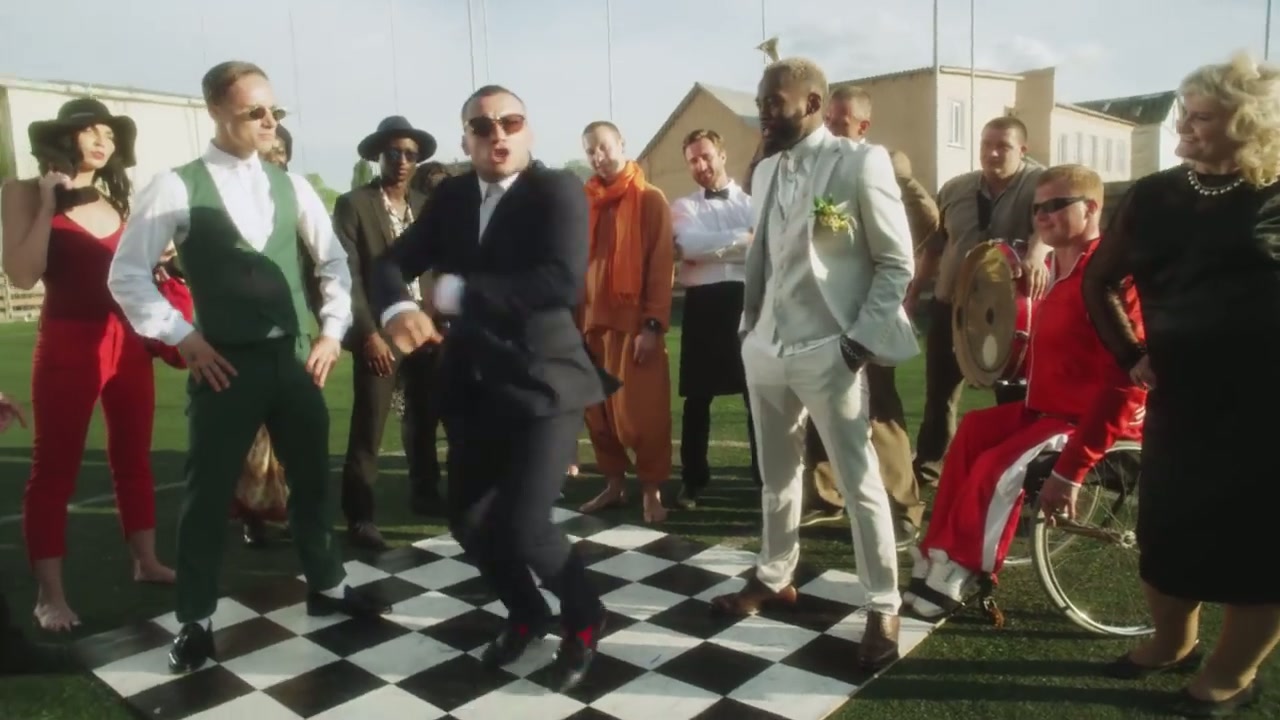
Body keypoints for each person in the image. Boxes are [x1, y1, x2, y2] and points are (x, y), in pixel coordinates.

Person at [107, 60, 387, 674]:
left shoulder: (293, 186)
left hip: (293, 359)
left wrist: (331, 332)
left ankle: (328, 585)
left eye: (274, 111)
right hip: (223, 365)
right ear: (215, 111)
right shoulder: (175, 186)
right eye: (254, 111)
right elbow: (125, 274)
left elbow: (334, 263)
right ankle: (195, 618)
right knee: (207, 493)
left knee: (311, 480)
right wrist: (182, 336)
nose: (269, 121)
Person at [372, 84, 609, 693]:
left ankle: (584, 619)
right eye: (482, 126)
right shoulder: (451, 195)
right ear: (466, 139)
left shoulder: (556, 190)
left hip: (543, 384)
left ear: (527, 131)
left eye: (511, 121)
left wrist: (459, 293)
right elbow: (390, 263)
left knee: (526, 526)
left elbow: (560, 281)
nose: (497, 133)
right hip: (472, 384)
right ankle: (526, 612)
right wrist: (399, 306)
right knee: (470, 522)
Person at [1082, 52, 1280, 717]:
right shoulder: (1153, 194)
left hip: (1266, 407)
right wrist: (1130, 353)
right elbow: (1099, 280)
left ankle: (1230, 675)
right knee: (1166, 532)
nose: (1183, 129)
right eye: (1184, 115)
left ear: (1248, 123)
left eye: (1201, 118)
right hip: (1183, 400)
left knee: (1259, 547)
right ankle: (1172, 644)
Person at [709, 57, 917, 673]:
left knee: (859, 484)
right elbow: (764, 257)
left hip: (831, 349)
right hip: (765, 347)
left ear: (813, 103)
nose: (763, 112)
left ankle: (883, 603)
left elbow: (896, 263)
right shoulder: (765, 168)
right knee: (776, 476)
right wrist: (750, 330)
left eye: (774, 102)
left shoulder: (860, 162)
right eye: (760, 101)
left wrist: (856, 344)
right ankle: (775, 575)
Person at [904, 164, 1146, 618]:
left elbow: (1129, 380)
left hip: (1088, 420)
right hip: (1046, 410)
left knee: (996, 465)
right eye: (1037, 208)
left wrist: (1074, 468)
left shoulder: (1114, 278)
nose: (1042, 216)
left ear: (1092, 208)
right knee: (972, 432)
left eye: (1056, 206)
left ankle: (965, 566)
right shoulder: (1048, 269)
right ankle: (938, 550)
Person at [0, 97, 174, 633]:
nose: (104, 141)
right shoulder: (22, 192)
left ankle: (146, 561)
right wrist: (48, 204)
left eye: (111, 134)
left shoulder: (116, 199)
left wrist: (159, 260)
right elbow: (22, 275)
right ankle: (49, 597)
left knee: (133, 457)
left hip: (127, 340)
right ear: (64, 137)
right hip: (67, 342)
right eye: (92, 130)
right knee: (54, 469)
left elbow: (129, 278)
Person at [798, 87, 933, 544]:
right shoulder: (814, 166)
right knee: (817, 406)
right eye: (828, 120)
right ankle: (826, 496)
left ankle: (905, 507)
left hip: (867, 313)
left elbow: (923, 225)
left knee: (880, 413)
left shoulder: (876, 164)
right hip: (817, 315)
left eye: (841, 121)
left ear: (863, 126)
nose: (831, 128)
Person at [908, 116, 1048, 486]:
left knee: (1014, 393)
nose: (993, 153)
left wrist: (1037, 252)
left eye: (1003, 146)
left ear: (1023, 150)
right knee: (939, 392)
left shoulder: (1040, 182)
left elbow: (1048, 224)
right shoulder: (955, 188)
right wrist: (914, 291)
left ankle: (1017, 471)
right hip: (951, 304)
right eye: (987, 144)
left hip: (1010, 311)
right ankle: (930, 465)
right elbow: (934, 246)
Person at [334, 116, 443, 550]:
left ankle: (425, 492)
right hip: (381, 332)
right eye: (394, 152)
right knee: (369, 425)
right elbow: (348, 275)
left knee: (424, 416)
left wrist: (436, 320)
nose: (402, 161)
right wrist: (367, 334)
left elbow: (436, 267)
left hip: (425, 329)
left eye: (410, 154)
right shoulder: (354, 204)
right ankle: (360, 516)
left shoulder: (425, 204)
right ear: (379, 156)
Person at [577, 121, 675, 523]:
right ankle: (614, 485)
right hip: (589, 326)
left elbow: (661, 267)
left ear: (622, 144)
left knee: (642, 415)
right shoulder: (584, 202)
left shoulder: (649, 199)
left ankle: (651, 490)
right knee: (598, 415)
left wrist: (652, 325)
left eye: (604, 147)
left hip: (634, 328)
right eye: (590, 151)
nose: (598, 157)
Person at [669, 128, 760, 508]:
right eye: (693, 160)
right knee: (697, 399)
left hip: (747, 302)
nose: (700, 165)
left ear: (722, 155)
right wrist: (743, 240)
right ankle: (692, 480)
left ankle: (764, 479)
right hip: (702, 305)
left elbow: (764, 248)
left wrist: (713, 248)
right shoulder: (683, 206)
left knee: (756, 395)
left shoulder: (754, 203)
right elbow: (688, 246)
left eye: (706, 156)